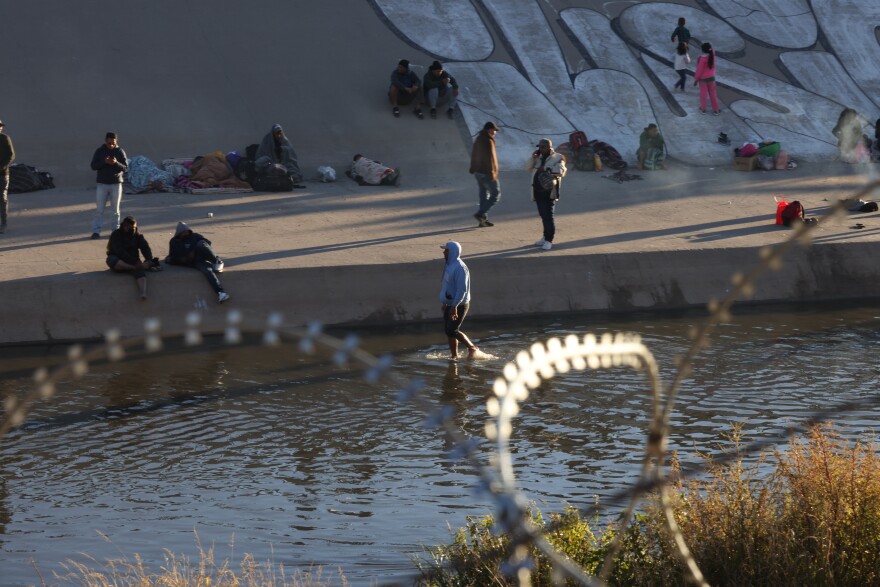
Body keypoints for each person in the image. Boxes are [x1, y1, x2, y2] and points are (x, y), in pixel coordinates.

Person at [164, 222, 230, 303]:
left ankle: (217, 262)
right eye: (183, 232)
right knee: (208, 271)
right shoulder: (174, 242)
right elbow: (171, 256)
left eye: (187, 231)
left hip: (201, 257)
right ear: (179, 233)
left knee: (201, 244)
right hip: (192, 262)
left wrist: (194, 250)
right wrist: (182, 259)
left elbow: (208, 243)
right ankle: (221, 292)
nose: (186, 233)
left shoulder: (195, 236)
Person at [439, 241, 478, 359]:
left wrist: (454, 306)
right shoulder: (449, 265)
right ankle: (454, 356)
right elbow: (447, 285)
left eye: (446, 250)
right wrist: (445, 302)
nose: (443, 252)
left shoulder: (460, 268)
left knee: (452, 330)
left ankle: (472, 348)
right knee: (448, 330)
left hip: (459, 304)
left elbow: (462, 290)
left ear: (452, 252)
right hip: (450, 303)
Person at [527, 138, 567, 251]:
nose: (540, 149)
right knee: (543, 215)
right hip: (537, 191)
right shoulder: (538, 158)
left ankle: (549, 240)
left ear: (549, 147)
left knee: (549, 217)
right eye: (539, 147)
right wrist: (532, 158)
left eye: (543, 147)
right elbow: (528, 168)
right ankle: (545, 237)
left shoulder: (558, 157)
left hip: (549, 192)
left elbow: (562, 171)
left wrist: (546, 168)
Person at [106, 216, 159, 300]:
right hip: (121, 260)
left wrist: (148, 260)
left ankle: (143, 292)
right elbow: (119, 251)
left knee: (141, 274)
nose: (131, 230)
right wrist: (135, 263)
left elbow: (145, 248)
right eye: (129, 227)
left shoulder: (138, 236)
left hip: (134, 260)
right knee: (112, 260)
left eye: (133, 228)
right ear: (124, 226)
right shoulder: (116, 234)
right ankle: (134, 267)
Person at [90, 132, 128, 239]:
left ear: (116, 142)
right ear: (105, 141)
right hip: (102, 184)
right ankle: (96, 231)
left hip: (116, 184)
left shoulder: (120, 151)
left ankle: (115, 231)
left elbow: (125, 167)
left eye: (113, 143)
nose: (111, 145)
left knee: (115, 210)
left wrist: (115, 163)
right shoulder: (99, 151)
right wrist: (104, 162)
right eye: (109, 143)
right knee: (99, 210)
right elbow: (93, 166)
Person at [469, 121, 501, 227]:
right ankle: (481, 214)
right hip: (487, 172)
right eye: (494, 130)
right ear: (490, 130)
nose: (495, 132)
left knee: (484, 195)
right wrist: (492, 173)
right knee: (496, 194)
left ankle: (483, 220)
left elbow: (474, 154)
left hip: (478, 172)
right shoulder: (488, 140)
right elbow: (490, 158)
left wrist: (473, 168)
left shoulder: (479, 138)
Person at [693, 42, 720, 115]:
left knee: (703, 95)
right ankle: (716, 110)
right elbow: (712, 50)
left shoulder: (702, 59)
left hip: (703, 80)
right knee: (713, 94)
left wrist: (696, 79)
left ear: (702, 50)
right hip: (712, 78)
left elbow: (699, 70)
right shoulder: (712, 56)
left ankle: (703, 109)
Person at [0, 120, 15, 234]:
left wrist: (2, 167)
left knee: (2, 198)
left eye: (0, 126)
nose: (0, 128)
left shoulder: (5, 139)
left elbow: (11, 155)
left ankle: (4, 223)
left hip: (2, 174)